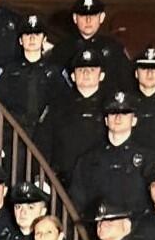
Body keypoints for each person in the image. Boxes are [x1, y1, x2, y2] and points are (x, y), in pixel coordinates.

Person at [68, 90, 151, 214]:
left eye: (124, 113)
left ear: (134, 120)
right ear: (106, 120)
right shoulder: (88, 160)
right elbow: (76, 202)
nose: (118, 118)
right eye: (113, 113)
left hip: (135, 229)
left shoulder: (148, 159)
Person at [36, 48, 107, 181]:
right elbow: (43, 143)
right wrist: (41, 176)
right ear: (73, 76)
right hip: (64, 180)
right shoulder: (58, 106)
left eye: (91, 70)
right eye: (80, 70)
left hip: (101, 179)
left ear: (101, 75)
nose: (86, 73)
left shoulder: (109, 107)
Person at [0, 14, 64, 138]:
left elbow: (64, 106)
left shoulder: (56, 73)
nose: (32, 38)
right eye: (27, 35)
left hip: (46, 135)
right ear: (20, 41)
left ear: (44, 39)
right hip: (12, 134)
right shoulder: (7, 71)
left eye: (37, 34)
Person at [49, 0, 134, 93]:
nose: (88, 20)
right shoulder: (62, 49)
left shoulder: (113, 48)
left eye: (93, 15)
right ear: (75, 18)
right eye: (83, 15)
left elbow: (127, 84)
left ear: (101, 17)